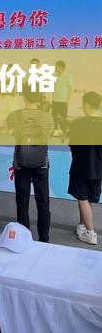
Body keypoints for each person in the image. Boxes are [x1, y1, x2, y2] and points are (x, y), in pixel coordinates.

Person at [7, 85, 54, 242]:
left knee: (22, 203)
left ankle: (24, 238)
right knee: (43, 202)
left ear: (24, 96)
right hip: (42, 163)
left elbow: (12, 133)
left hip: (20, 163)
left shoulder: (14, 116)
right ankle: (44, 239)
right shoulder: (47, 117)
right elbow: (49, 135)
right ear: (39, 97)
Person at [68, 91, 102, 245]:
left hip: (81, 167)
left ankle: (90, 233)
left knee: (82, 199)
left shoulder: (78, 123)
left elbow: (72, 145)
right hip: (98, 169)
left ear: (87, 105)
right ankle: (82, 226)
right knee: (88, 199)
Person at [52, 60, 73, 134]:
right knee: (53, 117)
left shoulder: (67, 76)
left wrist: (68, 100)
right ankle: (54, 132)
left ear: (61, 68)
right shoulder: (54, 75)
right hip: (55, 100)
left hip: (63, 101)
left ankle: (64, 132)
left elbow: (71, 89)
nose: (55, 68)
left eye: (56, 67)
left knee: (63, 118)